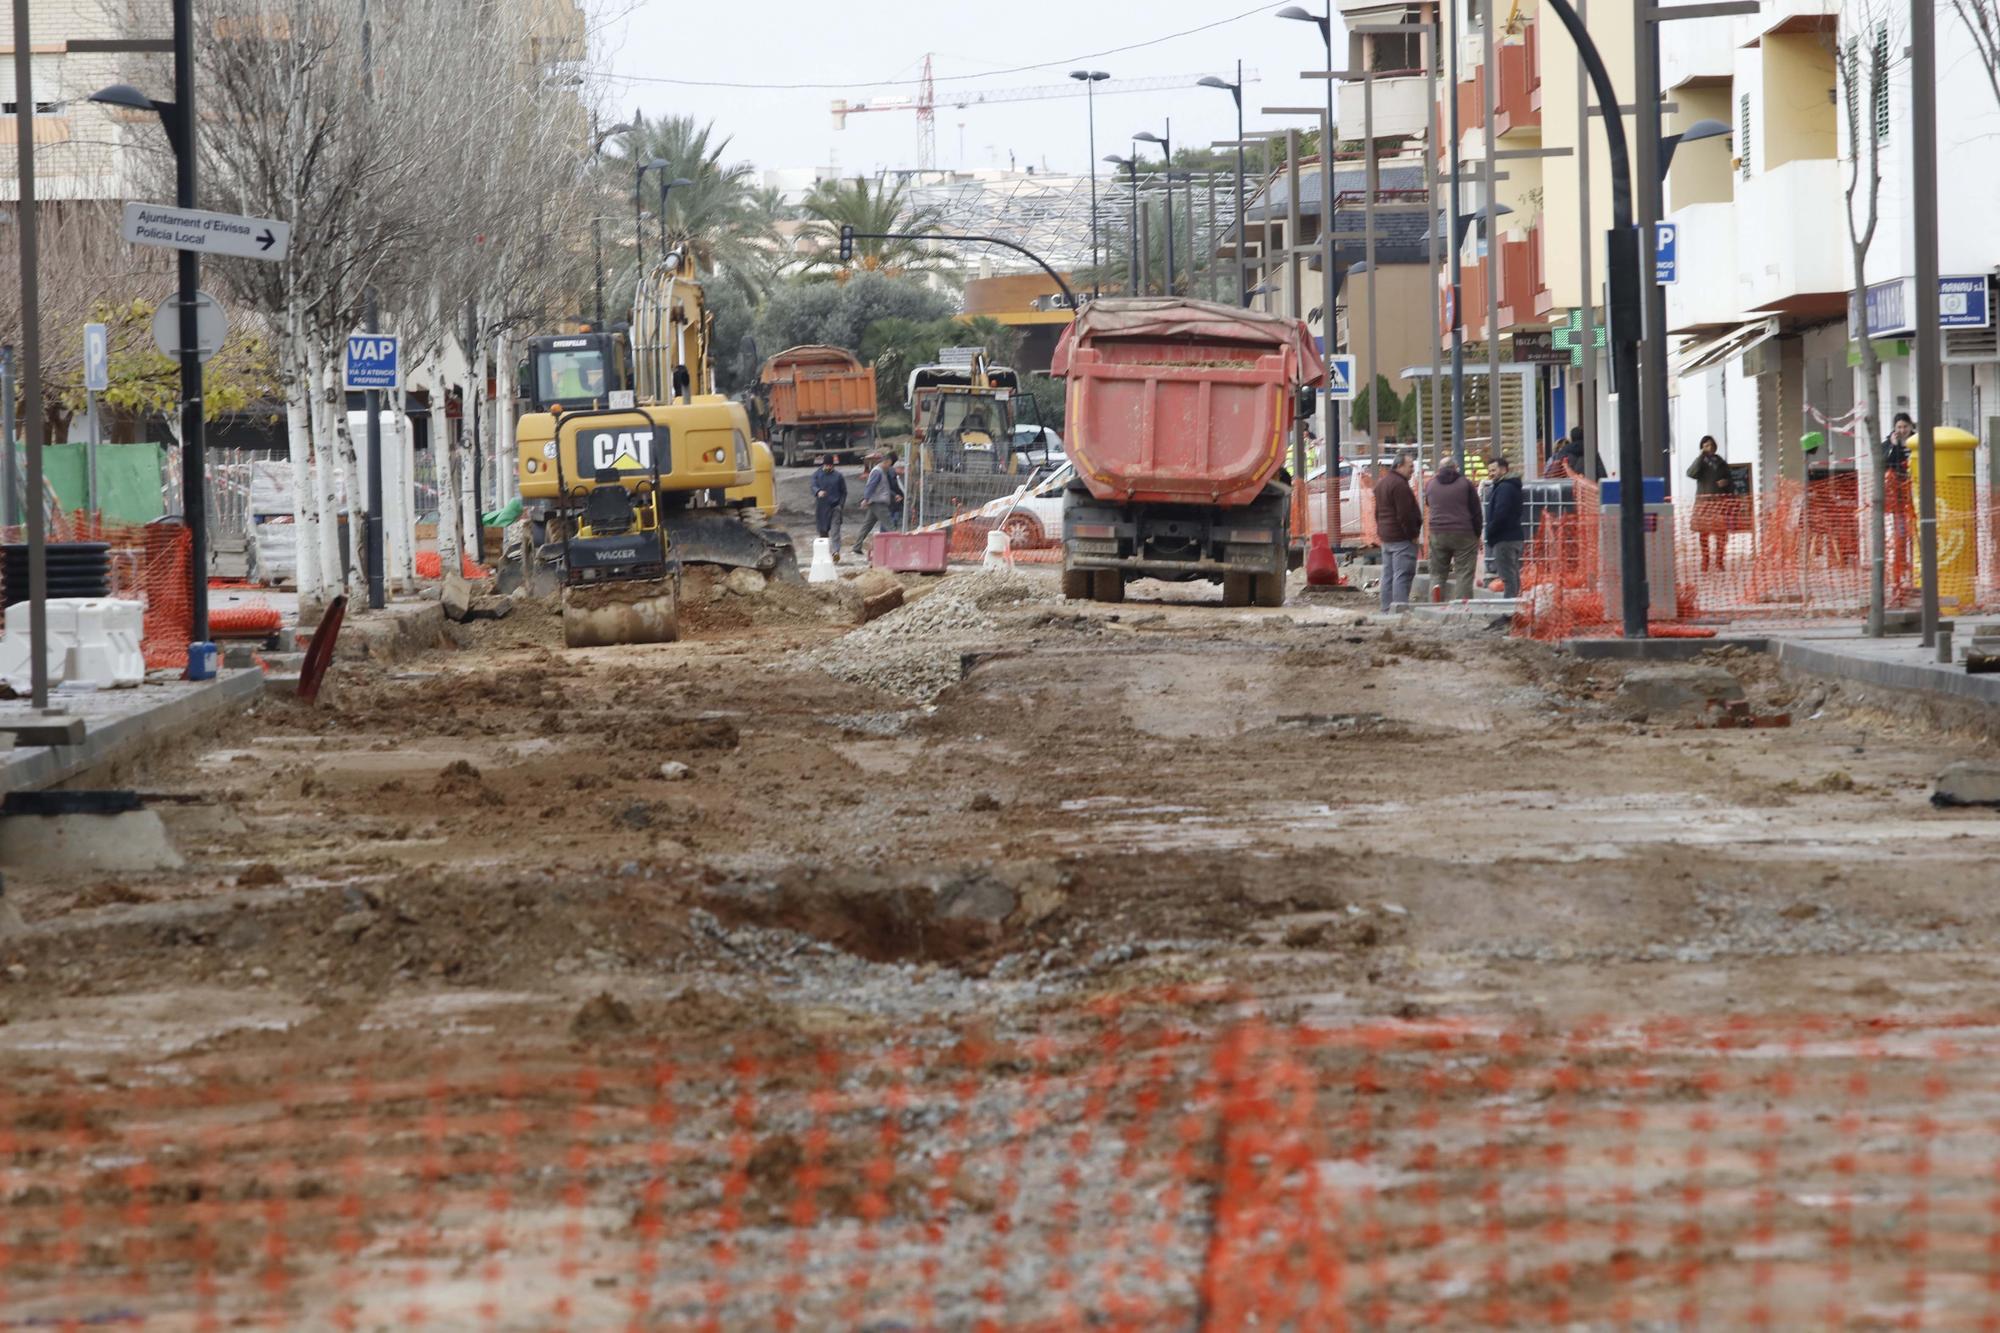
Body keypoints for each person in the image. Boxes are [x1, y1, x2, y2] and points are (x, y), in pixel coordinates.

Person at [1425, 457, 1483, 600]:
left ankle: (1435, 597)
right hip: (1463, 533)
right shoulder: (1466, 484)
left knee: (1437, 572)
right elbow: (1476, 512)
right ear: (1456, 468)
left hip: (1438, 533)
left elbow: (1428, 503)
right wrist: (1477, 534)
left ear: (1439, 469)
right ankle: (1462, 605)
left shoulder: (1430, 485)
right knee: (1464, 573)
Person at [1373, 450, 1422, 610]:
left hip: (1387, 537)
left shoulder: (1383, 483)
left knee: (1388, 576)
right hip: (1402, 538)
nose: (1412, 469)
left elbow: (1377, 512)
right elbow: (1405, 515)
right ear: (1399, 465)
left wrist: (1381, 531)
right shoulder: (1400, 485)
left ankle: (1386, 609)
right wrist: (1413, 534)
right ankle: (1399, 610)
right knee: (1403, 575)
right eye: (1410, 466)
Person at [1685, 435, 1735, 572]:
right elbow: (1690, 473)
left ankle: (1719, 560)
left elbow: (1731, 480)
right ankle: (1705, 560)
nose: (1710, 447)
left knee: (1721, 534)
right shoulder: (1700, 462)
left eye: (1711, 445)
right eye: (1706, 445)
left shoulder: (1721, 462)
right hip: (1704, 503)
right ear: (1702, 447)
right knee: (1704, 533)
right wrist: (1701, 457)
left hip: (1719, 503)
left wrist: (1726, 482)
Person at [1484, 455, 1525, 597]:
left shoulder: (1504, 488)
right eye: (1489, 470)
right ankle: (1514, 606)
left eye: (1494, 470)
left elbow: (1501, 514)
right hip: (1511, 537)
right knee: (1512, 574)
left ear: (1503, 470)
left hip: (1504, 539)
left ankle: (1509, 609)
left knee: (1507, 576)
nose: (1490, 473)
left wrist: (1491, 532)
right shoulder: (1509, 486)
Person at [852, 449, 900, 555]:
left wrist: (893, 495)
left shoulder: (881, 472)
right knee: (890, 526)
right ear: (887, 461)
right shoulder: (877, 472)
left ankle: (857, 546)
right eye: (890, 464)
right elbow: (871, 486)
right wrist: (866, 499)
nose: (890, 467)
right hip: (878, 503)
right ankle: (899, 549)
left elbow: (883, 488)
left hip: (875, 502)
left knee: (867, 526)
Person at [811, 454, 848, 556]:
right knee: (823, 531)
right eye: (826, 465)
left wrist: (840, 505)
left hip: (835, 507)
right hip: (822, 508)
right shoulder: (817, 475)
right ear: (823, 464)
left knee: (835, 531)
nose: (828, 467)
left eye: (830, 465)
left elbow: (844, 492)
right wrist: (818, 492)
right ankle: (824, 553)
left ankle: (836, 552)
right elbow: (813, 485)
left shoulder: (838, 476)